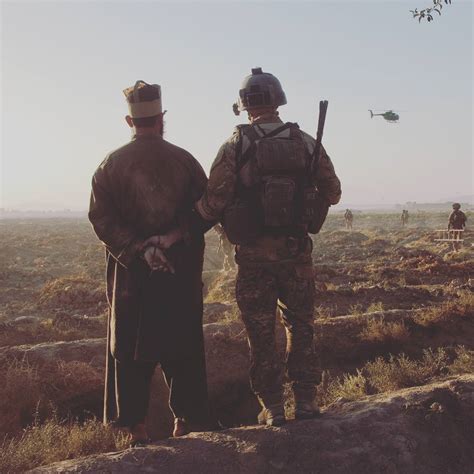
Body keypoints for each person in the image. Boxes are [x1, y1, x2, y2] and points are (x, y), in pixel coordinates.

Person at [192, 68, 341, 426]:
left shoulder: (235, 145)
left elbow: (213, 202)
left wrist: (188, 223)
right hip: (296, 254)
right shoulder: (305, 141)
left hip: (254, 258)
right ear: (278, 100)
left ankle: (272, 407)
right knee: (301, 326)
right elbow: (333, 192)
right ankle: (305, 401)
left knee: (261, 333)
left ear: (244, 106)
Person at [88, 80, 212, 444]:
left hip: (131, 278)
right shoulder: (186, 161)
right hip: (179, 275)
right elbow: (206, 211)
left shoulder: (109, 166)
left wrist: (140, 250)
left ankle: (135, 429)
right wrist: (171, 240)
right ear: (162, 118)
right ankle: (186, 422)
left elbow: (101, 219)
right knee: (184, 347)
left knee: (129, 350)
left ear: (130, 121)